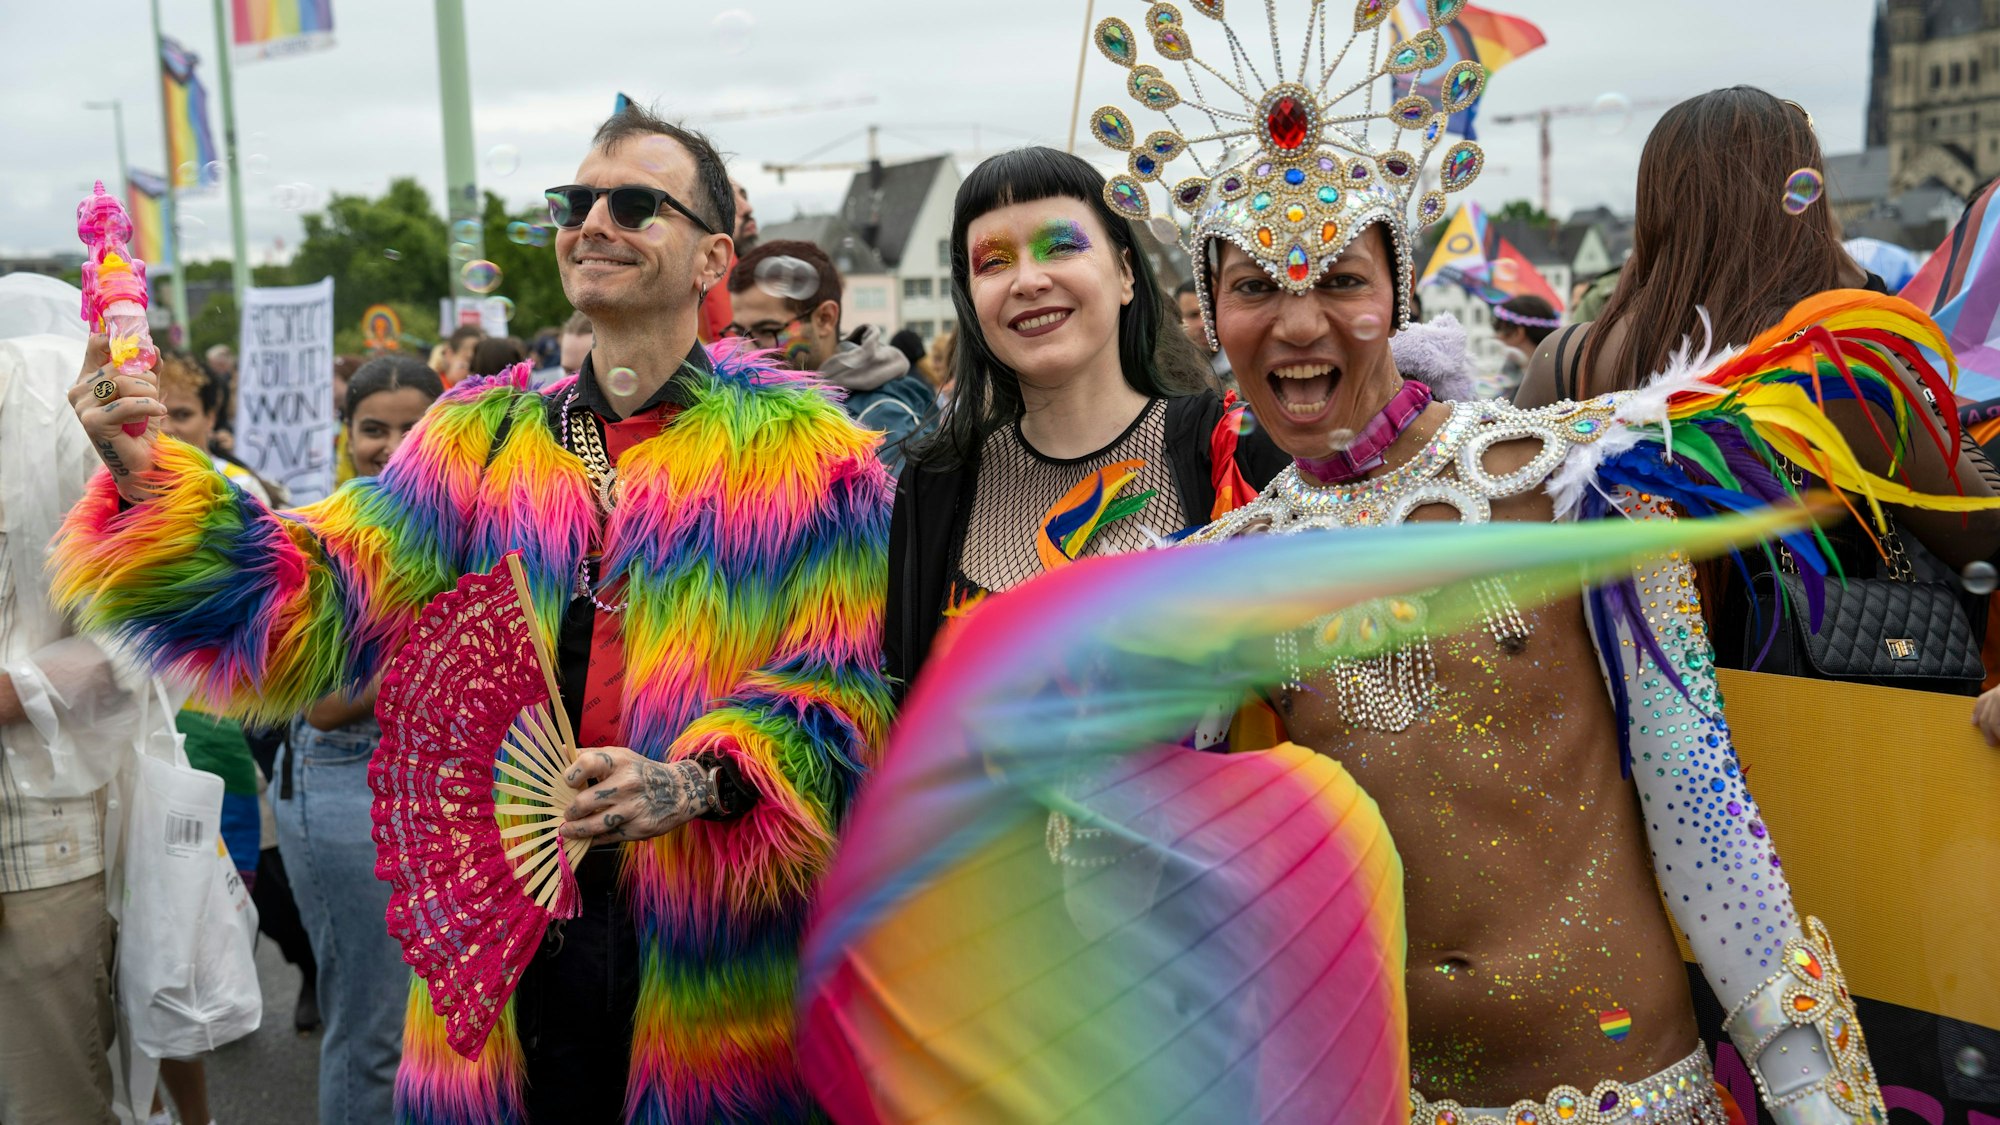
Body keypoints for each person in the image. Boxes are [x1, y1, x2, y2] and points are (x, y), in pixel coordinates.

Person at [1119, 15, 1983, 1120]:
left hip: (1634, 1095)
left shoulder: (1571, 483)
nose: (1297, 322)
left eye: (1338, 277)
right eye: (1253, 287)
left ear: (1397, 293)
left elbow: (1699, 809)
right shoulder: (1214, 581)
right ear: (1210, 315)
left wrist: (1815, 1099)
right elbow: (1165, 895)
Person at [55, 104, 891, 1125]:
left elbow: (838, 704)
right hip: (505, 937)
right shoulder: (478, 439)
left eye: (634, 204)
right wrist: (145, 478)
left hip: (704, 947)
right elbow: (316, 591)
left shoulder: (814, 460)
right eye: (573, 204)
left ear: (714, 253)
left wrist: (689, 783)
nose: (592, 222)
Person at [1516, 88, 2000, 601]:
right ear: (1802, 213)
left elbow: (1512, 549)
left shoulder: (1563, 359)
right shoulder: (1837, 371)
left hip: (1620, 678)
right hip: (1794, 681)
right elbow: (1984, 538)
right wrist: (1870, 304)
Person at [884, 146, 1289, 694]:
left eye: (1062, 247)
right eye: (994, 262)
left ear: (1125, 274)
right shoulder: (934, 484)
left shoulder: (1239, 454)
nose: (1027, 281)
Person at [0, 275, 179, 1125]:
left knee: (49, 1096)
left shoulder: (48, 399)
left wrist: (12, 690)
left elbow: (148, 620)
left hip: (33, 834)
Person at [274, 355, 446, 1124]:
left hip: (455, 784)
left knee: (443, 1030)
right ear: (347, 437)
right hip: (351, 781)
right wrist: (440, 648)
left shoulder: (476, 516)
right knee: (375, 1031)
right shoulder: (328, 534)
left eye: (415, 424)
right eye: (374, 428)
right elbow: (323, 705)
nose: (394, 442)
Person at [727, 238, 936, 476]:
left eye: (767, 331)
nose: (748, 352)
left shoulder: (881, 420)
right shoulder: (756, 407)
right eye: (739, 333)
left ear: (825, 319)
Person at [1489, 294, 1560, 399]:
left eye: (1499, 330)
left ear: (1518, 333)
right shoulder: (1560, 368)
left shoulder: (1546, 380)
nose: (1496, 337)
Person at [1175, 277, 1234, 389]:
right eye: (1193, 315)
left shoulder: (1251, 365)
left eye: (1209, 314)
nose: (1203, 324)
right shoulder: (1174, 383)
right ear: (1178, 321)